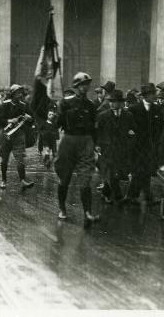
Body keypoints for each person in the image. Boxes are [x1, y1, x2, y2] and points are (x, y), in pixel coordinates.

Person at [54, 72, 100, 227]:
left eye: (86, 84)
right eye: (81, 84)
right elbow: (57, 123)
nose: (84, 87)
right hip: (69, 140)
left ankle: (87, 212)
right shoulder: (65, 103)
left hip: (86, 140)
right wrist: (61, 113)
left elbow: (94, 128)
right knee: (65, 177)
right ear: (76, 86)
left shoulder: (91, 106)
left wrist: (95, 145)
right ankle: (62, 208)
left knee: (85, 177)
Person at [95, 90, 136, 203]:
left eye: (116, 102)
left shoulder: (128, 116)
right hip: (107, 150)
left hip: (122, 150)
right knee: (110, 172)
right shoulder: (103, 116)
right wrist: (98, 145)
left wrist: (130, 144)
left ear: (121, 103)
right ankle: (115, 195)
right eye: (111, 101)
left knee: (118, 173)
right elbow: (98, 132)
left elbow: (133, 132)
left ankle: (106, 192)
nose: (113, 104)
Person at [126, 83, 163, 204]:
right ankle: (142, 196)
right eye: (152, 94)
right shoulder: (134, 109)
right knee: (139, 171)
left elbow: (159, 128)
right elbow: (129, 128)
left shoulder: (157, 109)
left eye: (154, 93)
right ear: (145, 96)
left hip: (150, 146)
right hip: (137, 147)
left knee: (145, 171)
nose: (155, 96)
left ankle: (134, 196)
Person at [0, 84, 35, 190]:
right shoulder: (5, 105)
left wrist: (29, 118)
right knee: (4, 159)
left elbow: (32, 119)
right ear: (12, 94)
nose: (20, 95)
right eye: (17, 93)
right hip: (6, 135)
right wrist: (8, 120)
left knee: (20, 158)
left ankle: (22, 180)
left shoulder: (24, 105)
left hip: (19, 136)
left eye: (21, 93)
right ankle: (3, 180)